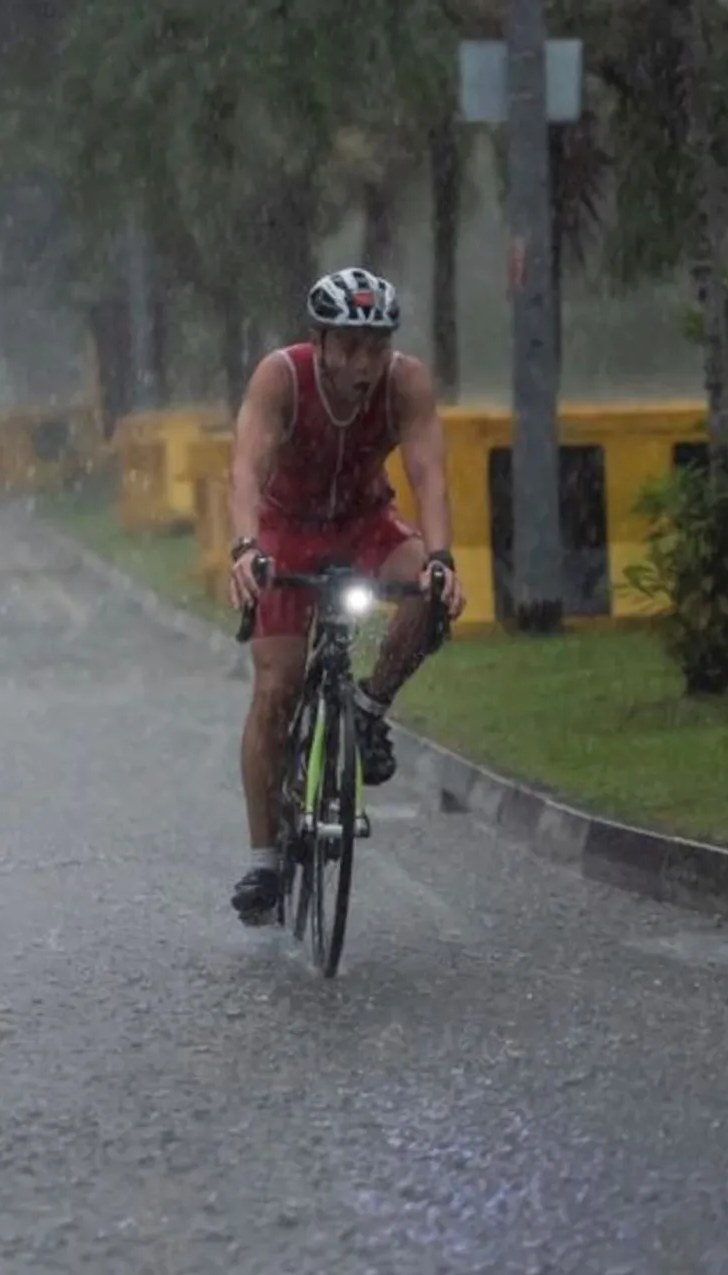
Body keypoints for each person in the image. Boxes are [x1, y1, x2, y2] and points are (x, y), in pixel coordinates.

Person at [224, 268, 468, 923]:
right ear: (320, 341)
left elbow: (429, 474)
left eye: (377, 346)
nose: (364, 364)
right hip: (284, 529)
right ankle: (264, 860)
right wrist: (246, 547)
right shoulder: (282, 377)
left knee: (428, 590)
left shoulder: (404, 384)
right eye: (350, 347)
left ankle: (366, 707)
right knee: (277, 688)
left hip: (365, 521)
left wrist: (442, 560)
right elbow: (246, 468)